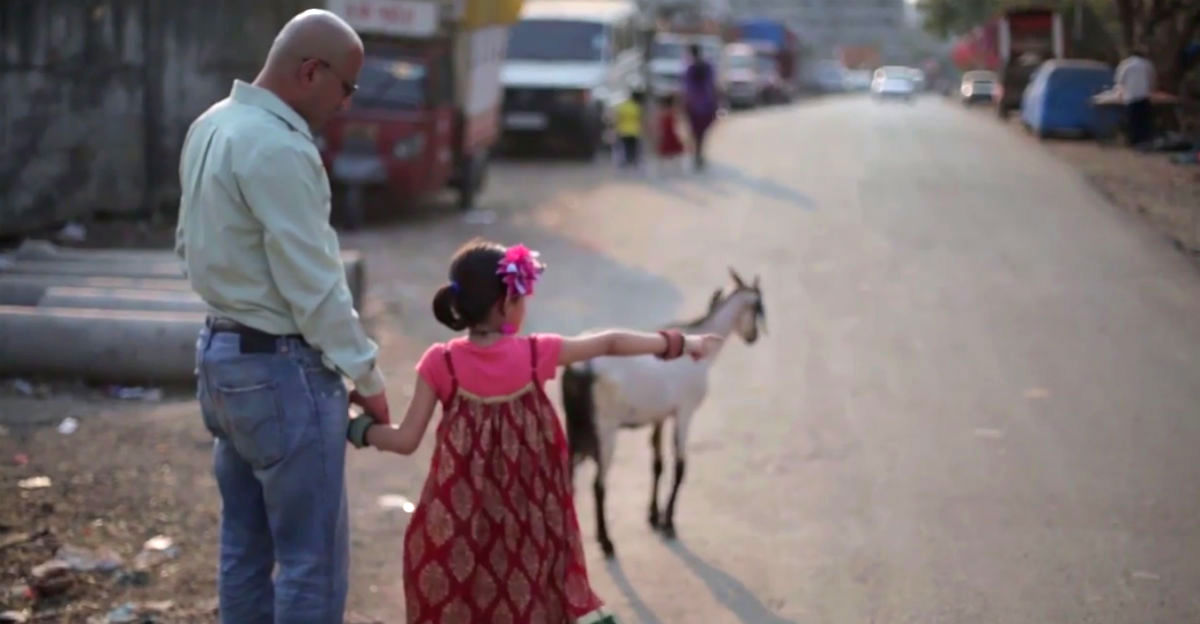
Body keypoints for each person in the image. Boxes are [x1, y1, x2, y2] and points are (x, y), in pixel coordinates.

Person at [344, 239, 722, 623]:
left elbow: (405, 440)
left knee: (468, 598)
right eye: (521, 298)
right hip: (529, 521)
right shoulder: (534, 354)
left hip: (463, 518)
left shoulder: (441, 363)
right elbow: (608, 342)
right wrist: (680, 342)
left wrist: (355, 428)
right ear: (504, 305)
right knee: (526, 600)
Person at [175, 9, 388, 623]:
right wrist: (367, 378)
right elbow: (317, 286)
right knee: (310, 561)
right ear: (310, 71)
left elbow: (187, 246)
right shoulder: (282, 147)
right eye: (346, 86)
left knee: (244, 546)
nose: (347, 102)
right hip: (281, 369)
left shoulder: (212, 124)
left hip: (219, 357)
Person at [682, 43, 718, 169]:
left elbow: (687, 89)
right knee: (701, 134)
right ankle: (698, 154)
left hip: (694, 106)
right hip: (706, 105)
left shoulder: (690, 69)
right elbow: (712, 86)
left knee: (695, 133)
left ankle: (697, 154)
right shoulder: (708, 67)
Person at [1115, 46, 1156, 146]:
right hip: (1144, 96)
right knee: (1144, 120)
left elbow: (1119, 81)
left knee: (1132, 121)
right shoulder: (1147, 64)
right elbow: (1152, 80)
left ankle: (1133, 141)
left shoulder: (1125, 64)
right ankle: (1144, 141)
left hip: (1130, 97)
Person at [614, 89, 644, 167]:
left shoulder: (622, 107)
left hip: (623, 130)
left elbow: (617, 118)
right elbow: (640, 118)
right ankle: (633, 160)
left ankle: (626, 160)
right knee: (633, 147)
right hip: (634, 131)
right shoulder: (636, 107)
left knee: (625, 147)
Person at [656, 93, 686, 170]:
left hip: (667, 134)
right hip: (671, 133)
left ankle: (663, 168)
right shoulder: (673, 112)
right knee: (674, 152)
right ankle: (676, 168)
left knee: (666, 152)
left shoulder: (663, 112)